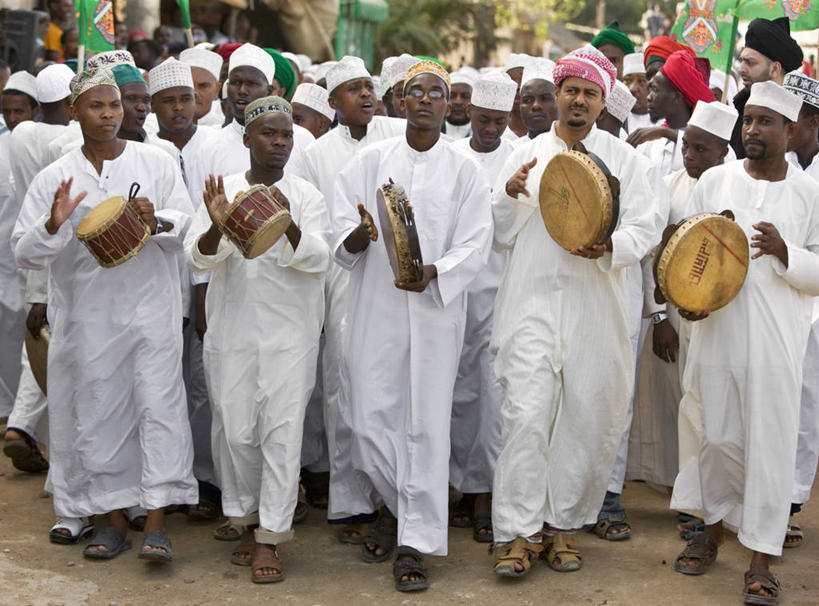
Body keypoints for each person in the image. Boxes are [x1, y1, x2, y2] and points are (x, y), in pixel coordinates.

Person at [11, 67, 198, 562]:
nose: (110, 114)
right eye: (97, 106)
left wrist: (155, 219)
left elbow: (187, 223)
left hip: (149, 313)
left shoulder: (155, 160)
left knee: (158, 408)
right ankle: (112, 520)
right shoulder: (56, 176)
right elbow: (24, 253)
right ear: (74, 113)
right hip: (88, 320)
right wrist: (53, 224)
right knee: (98, 413)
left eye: (114, 105)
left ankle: (156, 520)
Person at [489, 45, 655, 577]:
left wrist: (612, 247)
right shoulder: (526, 154)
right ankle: (517, 534)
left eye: (590, 93)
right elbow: (500, 229)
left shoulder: (627, 160)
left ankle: (560, 528)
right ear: (556, 94)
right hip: (531, 304)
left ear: (604, 101)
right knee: (526, 418)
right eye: (571, 90)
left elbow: (647, 226)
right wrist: (511, 194)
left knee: (582, 418)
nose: (578, 100)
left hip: (594, 310)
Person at [331, 60, 492, 592]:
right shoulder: (368, 163)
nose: (425, 100)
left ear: (450, 105)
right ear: (400, 102)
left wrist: (436, 272)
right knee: (365, 417)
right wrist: (357, 237)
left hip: (434, 313)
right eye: (415, 92)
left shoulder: (466, 170)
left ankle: (413, 541)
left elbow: (475, 243)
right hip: (376, 309)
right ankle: (400, 507)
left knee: (425, 425)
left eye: (436, 93)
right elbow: (339, 235)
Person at [669, 81, 818, 606]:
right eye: (748, 120)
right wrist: (687, 301)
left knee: (770, 444)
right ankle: (708, 533)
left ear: (791, 130)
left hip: (778, 340)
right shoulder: (716, 179)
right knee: (715, 435)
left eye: (765, 122)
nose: (752, 130)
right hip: (716, 332)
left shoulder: (808, 194)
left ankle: (759, 559)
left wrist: (786, 253)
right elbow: (689, 250)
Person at [186, 95, 330, 584]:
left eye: (286, 135)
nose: (280, 143)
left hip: (291, 335)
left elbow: (318, 260)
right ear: (247, 139)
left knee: (281, 433)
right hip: (233, 332)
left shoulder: (306, 195)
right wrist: (216, 222)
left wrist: (286, 223)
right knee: (237, 431)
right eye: (269, 134)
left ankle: (270, 535)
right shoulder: (221, 190)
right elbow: (200, 258)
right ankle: (245, 518)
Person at [301, 55, 405, 545]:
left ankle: (391, 498)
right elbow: (312, 223)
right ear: (332, 102)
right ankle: (350, 503)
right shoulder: (316, 152)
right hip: (340, 283)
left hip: (395, 282)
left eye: (369, 86)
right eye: (353, 89)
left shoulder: (398, 136)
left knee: (390, 392)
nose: (366, 95)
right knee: (343, 390)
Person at [628, 101, 736, 539]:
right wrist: (658, 318)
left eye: (700, 149)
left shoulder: (732, 189)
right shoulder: (666, 185)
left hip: (716, 320)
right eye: (686, 147)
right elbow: (649, 252)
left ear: (723, 151)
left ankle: (712, 502)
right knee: (674, 408)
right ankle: (685, 497)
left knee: (711, 410)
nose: (689, 156)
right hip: (669, 315)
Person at [150, 57, 223, 523]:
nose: (180, 108)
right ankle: (161, 481)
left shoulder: (220, 146)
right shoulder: (142, 152)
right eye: (169, 101)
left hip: (210, 281)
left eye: (187, 99)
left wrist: (201, 294)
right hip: (155, 288)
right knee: (159, 387)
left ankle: (204, 480)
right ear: (153, 107)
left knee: (204, 386)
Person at [448, 70, 517, 545]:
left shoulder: (520, 159)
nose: (491, 129)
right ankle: (449, 487)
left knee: (493, 395)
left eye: (499, 122)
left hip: (501, 291)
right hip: (452, 293)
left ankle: (483, 494)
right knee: (452, 392)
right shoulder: (449, 156)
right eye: (484, 119)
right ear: (469, 112)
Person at [782, 71, 819, 549]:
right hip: (789, 302)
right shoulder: (786, 170)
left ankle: (789, 499)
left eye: (793, 120)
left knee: (807, 403)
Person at [196, 43, 314, 183]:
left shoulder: (303, 140)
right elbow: (199, 202)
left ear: (269, 92)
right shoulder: (209, 147)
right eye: (236, 83)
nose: (242, 90)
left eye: (251, 84)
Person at [631, 51, 715, 177]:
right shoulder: (649, 142)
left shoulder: (712, 144)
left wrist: (665, 132)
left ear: (676, 97)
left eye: (654, 89)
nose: (648, 97)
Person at [730, 17, 802, 158]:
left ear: (775, 69)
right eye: (742, 61)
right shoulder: (738, 109)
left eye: (750, 63)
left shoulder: (801, 118)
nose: (741, 69)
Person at [514, 57, 557, 145]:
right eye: (528, 100)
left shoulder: (573, 151)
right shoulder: (512, 152)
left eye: (545, 98)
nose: (536, 106)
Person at [179, 47, 226, 128]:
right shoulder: (156, 125)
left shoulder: (223, 128)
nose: (194, 92)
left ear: (217, 91)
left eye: (203, 86)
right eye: (188, 84)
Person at [622, 52, 654, 132]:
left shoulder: (665, 124)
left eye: (641, 81)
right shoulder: (614, 121)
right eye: (628, 80)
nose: (633, 89)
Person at [503, 53, 532, 139]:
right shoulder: (495, 134)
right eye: (511, 79)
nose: (517, 86)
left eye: (523, 79)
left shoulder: (545, 135)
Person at [445, 69, 475, 139]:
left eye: (466, 97)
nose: (458, 102)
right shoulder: (430, 132)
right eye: (452, 96)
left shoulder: (481, 136)